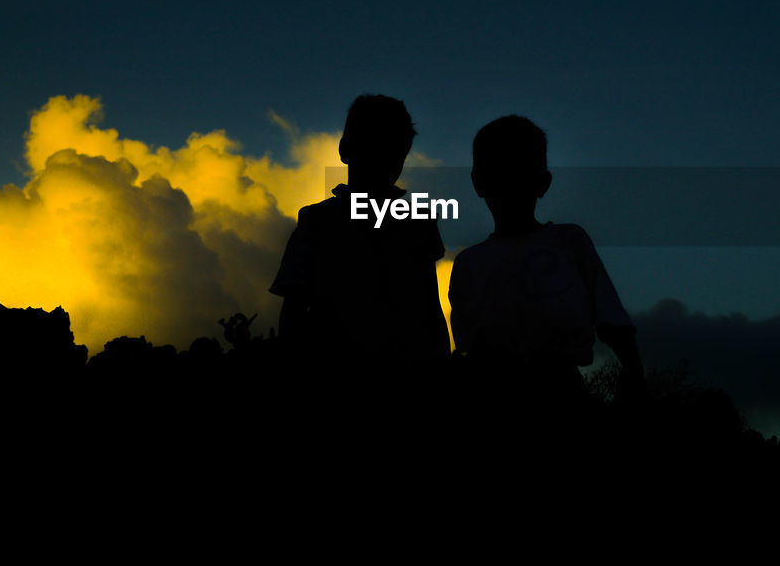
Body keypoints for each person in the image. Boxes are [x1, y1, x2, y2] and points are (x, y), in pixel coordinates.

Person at [448, 115, 644, 410]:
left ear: (542, 183)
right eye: (499, 171)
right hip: (487, 395)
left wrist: (633, 372)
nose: (509, 181)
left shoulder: (568, 241)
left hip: (559, 393)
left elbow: (610, 315)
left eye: (519, 171)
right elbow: (467, 344)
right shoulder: (468, 263)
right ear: (479, 182)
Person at [269, 95, 449, 373]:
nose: (383, 160)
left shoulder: (419, 223)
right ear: (346, 150)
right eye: (373, 147)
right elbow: (293, 310)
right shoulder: (316, 222)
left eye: (393, 152)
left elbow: (429, 309)